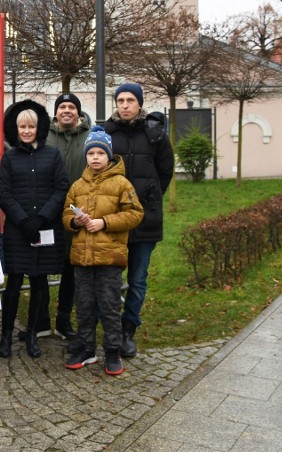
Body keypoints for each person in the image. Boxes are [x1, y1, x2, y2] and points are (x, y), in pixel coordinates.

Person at [62, 126, 144, 375]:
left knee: (109, 307)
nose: (95, 157)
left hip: (109, 258)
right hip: (83, 258)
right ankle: (86, 349)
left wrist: (104, 222)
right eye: (91, 153)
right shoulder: (77, 185)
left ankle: (112, 352)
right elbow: (66, 212)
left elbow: (135, 214)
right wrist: (75, 221)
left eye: (100, 153)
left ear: (109, 156)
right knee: (84, 305)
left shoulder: (122, 183)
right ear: (85, 156)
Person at [104, 82, 174, 357]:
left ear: (139, 104)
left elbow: (165, 172)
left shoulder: (155, 134)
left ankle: (127, 330)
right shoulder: (107, 132)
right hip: (114, 220)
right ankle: (110, 328)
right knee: (110, 279)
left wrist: (150, 196)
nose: (124, 105)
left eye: (130, 100)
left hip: (146, 220)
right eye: (120, 100)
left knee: (138, 280)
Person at [0, 99, 69, 359]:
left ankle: (32, 335)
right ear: (15, 129)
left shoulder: (52, 154)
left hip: (44, 228)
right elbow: (4, 193)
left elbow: (61, 188)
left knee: (40, 282)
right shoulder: (10, 157)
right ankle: (5, 336)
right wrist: (24, 221)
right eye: (22, 127)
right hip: (18, 229)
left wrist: (42, 218)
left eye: (31, 126)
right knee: (14, 283)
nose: (26, 131)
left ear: (39, 128)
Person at [44, 93, 92, 341]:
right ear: (55, 113)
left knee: (71, 269)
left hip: (78, 215)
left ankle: (64, 319)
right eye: (62, 106)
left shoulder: (89, 137)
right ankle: (40, 321)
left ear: (78, 112)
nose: (66, 110)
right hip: (48, 212)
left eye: (71, 107)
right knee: (41, 267)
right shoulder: (45, 137)